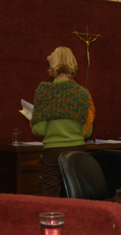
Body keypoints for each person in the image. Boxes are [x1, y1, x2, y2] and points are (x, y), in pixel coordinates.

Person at [30, 47, 95, 197]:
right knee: (76, 194)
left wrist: (34, 121)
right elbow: (88, 131)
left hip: (53, 152)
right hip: (77, 151)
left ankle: (52, 220)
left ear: (53, 64)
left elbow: (38, 130)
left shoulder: (44, 90)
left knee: (51, 195)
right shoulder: (83, 93)